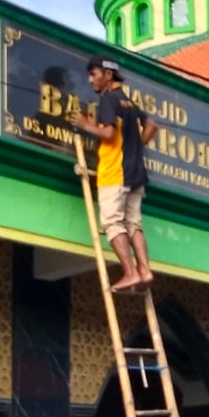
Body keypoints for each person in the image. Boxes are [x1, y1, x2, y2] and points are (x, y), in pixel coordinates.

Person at [70, 56, 158, 292]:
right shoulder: (128, 101)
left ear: (108, 75)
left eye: (94, 74)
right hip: (136, 174)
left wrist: (85, 124)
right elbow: (152, 126)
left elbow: (108, 133)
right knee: (133, 224)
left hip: (115, 173)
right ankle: (145, 270)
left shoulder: (109, 99)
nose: (90, 80)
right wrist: (136, 148)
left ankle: (130, 273)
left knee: (112, 223)